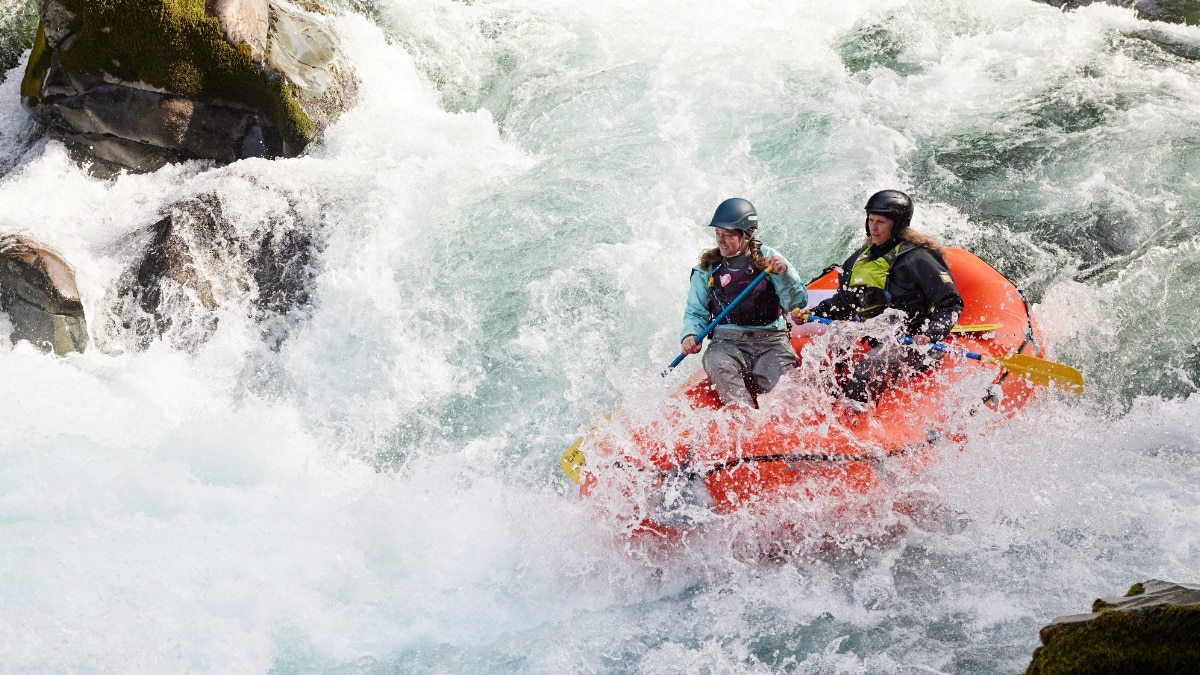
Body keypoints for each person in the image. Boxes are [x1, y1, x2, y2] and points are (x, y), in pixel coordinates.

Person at [802, 190, 963, 409]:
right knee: (831, 350)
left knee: (868, 366)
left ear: (897, 225)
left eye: (881, 222)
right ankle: (822, 408)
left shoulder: (919, 259)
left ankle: (852, 418)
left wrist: (929, 334)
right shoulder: (862, 257)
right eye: (871, 220)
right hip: (880, 337)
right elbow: (846, 302)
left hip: (915, 343)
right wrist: (813, 313)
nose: (873, 228)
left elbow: (951, 304)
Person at [680, 198, 808, 408]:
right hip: (726, 343)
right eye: (718, 233)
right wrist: (690, 335)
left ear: (747, 234)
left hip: (771, 341)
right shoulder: (706, 269)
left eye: (728, 234)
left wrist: (783, 275)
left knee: (787, 400)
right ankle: (742, 416)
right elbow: (695, 312)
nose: (721, 240)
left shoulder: (771, 260)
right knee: (715, 361)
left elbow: (797, 303)